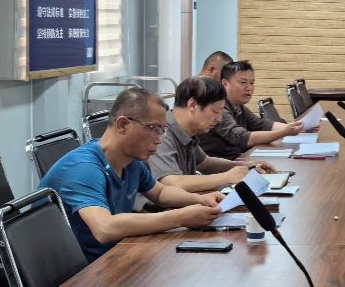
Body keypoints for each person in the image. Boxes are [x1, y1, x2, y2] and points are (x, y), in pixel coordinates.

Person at [39, 87, 224, 262]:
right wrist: (180, 218)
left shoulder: (131, 160)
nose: (160, 140)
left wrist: (200, 200)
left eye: (163, 131)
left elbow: (160, 193)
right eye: (154, 129)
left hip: (116, 254)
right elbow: (105, 228)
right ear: (123, 124)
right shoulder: (84, 168)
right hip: (83, 272)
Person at [146, 76, 278, 198]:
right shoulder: (162, 132)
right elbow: (172, 182)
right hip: (159, 212)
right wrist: (227, 177)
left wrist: (246, 167)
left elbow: (205, 163)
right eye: (215, 111)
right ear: (192, 105)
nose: (219, 119)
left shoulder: (187, 131)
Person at [199, 60, 305, 159]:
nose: (249, 88)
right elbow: (243, 138)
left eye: (252, 83)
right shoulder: (220, 109)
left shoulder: (240, 107)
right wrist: (284, 132)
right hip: (223, 164)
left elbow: (261, 124)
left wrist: (293, 127)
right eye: (243, 82)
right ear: (225, 84)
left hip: (239, 159)